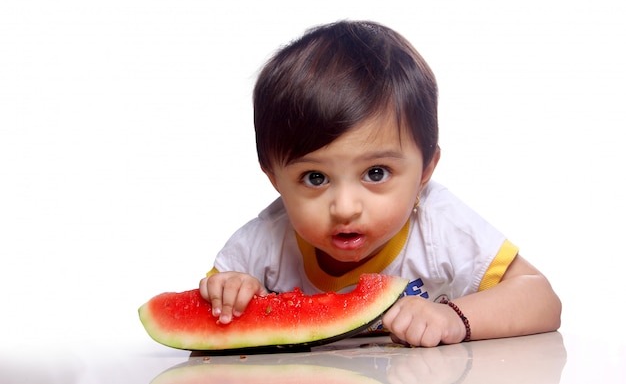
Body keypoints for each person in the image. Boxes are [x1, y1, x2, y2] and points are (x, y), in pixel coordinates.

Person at [199, 20, 561, 347]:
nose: (345, 207)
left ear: (424, 172)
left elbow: (541, 297)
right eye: (315, 178)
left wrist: (456, 318)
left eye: (376, 173)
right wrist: (232, 294)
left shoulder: (440, 226)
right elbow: (208, 313)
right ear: (273, 177)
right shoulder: (262, 244)